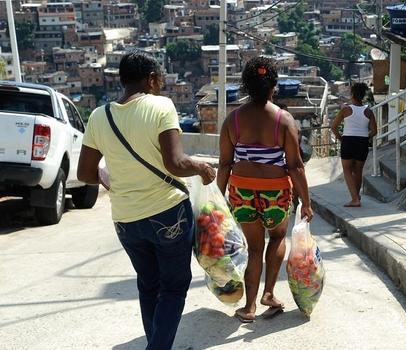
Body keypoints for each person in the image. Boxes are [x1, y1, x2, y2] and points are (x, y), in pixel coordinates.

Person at [77, 51, 216, 349]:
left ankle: (156, 343)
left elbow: (86, 172)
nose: (162, 86)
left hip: (126, 220)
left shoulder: (99, 116)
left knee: (148, 284)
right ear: (151, 79)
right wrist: (203, 168)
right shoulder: (161, 106)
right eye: (161, 80)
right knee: (174, 287)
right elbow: (176, 163)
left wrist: (108, 180)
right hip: (168, 214)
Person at [217, 56, 313, 323]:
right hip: (275, 191)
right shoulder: (284, 121)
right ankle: (268, 293)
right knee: (278, 237)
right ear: (274, 86)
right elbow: (295, 166)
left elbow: (225, 164)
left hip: (242, 191)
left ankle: (249, 308)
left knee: (254, 248)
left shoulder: (232, 121)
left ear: (246, 86)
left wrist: (217, 201)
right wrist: (306, 201)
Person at [331, 82, 377, 207]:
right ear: (363, 96)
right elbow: (374, 131)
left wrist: (341, 138)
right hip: (362, 142)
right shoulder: (368, 111)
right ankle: (356, 197)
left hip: (348, 141)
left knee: (347, 170)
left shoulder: (346, 109)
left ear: (352, 95)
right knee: (358, 171)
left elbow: (333, 127)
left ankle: (355, 199)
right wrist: (366, 138)